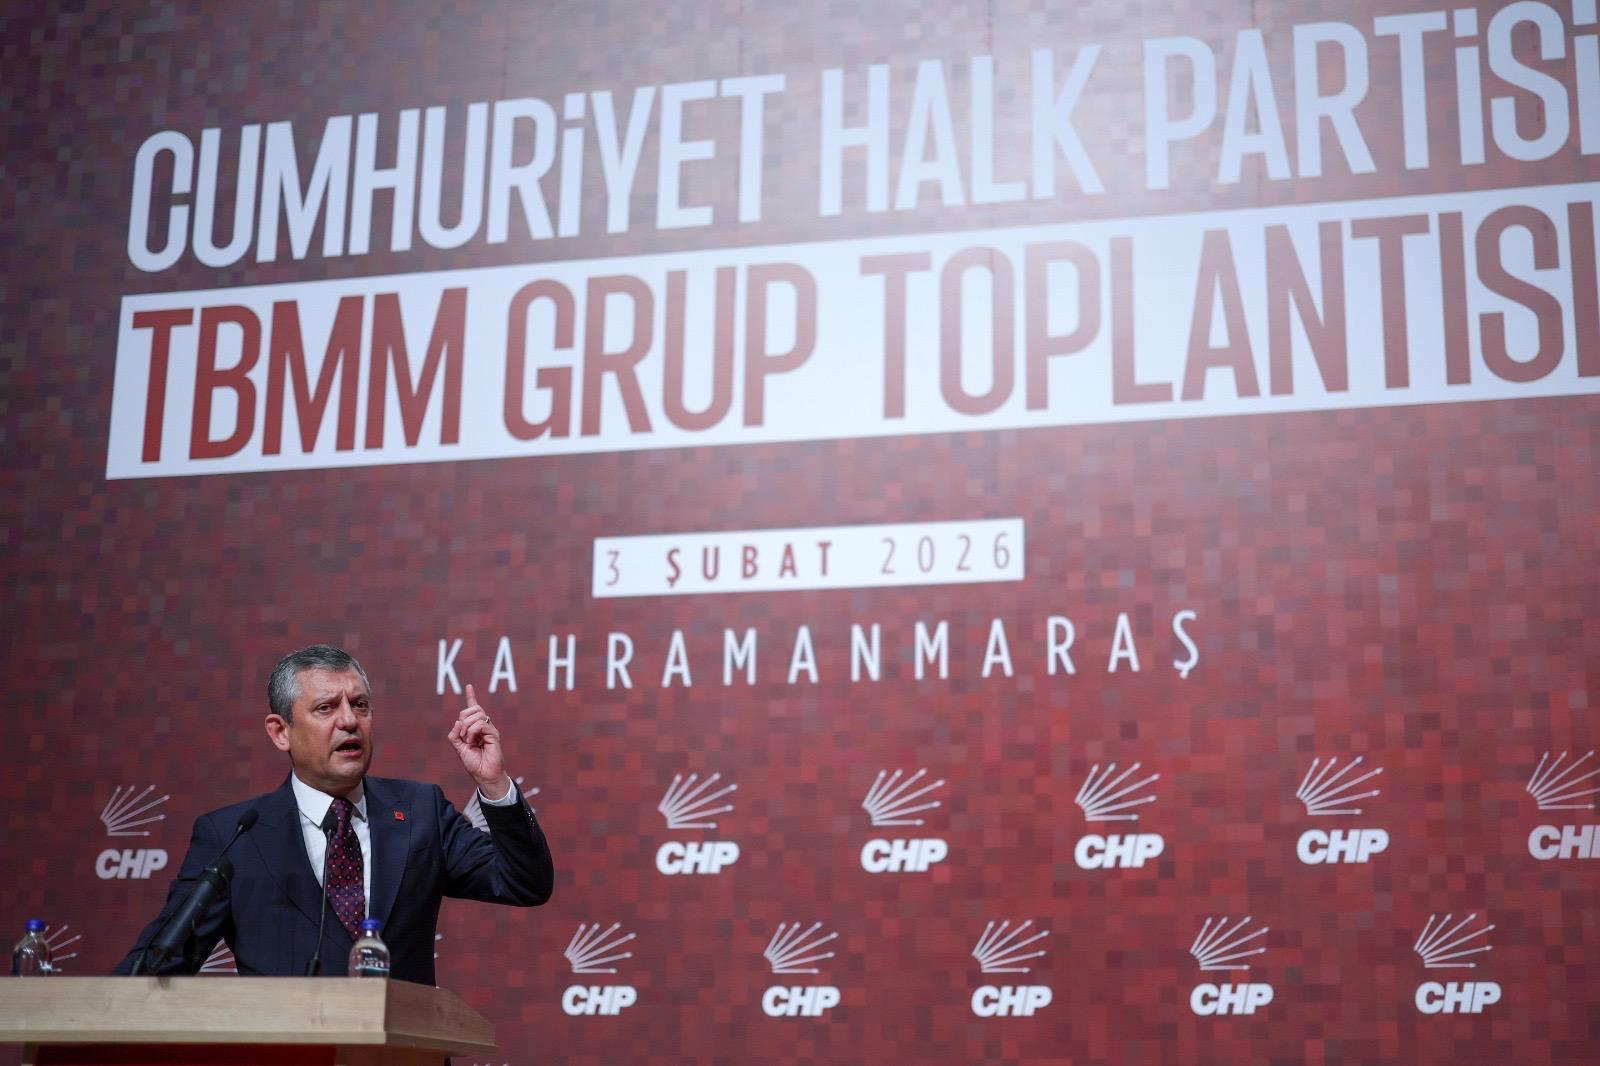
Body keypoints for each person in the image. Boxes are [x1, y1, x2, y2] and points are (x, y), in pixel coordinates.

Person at [114, 644, 553, 984]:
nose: (349, 721)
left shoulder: (421, 811)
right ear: (280, 732)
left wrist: (494, 783)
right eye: (326, 708)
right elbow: (158, 965)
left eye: (360, 705)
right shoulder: (234, 836)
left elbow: (524, 882)